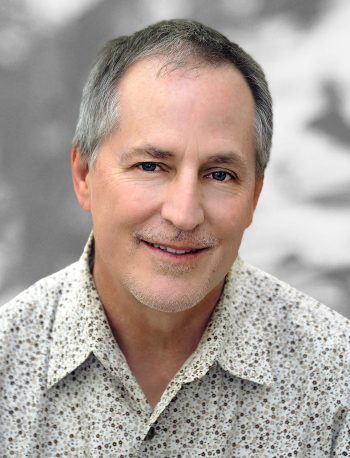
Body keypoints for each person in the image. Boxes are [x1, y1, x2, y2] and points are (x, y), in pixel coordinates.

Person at [0, 19, 349, 457]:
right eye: (151, 166)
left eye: (220, 174)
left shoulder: (338, 378)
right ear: (84, 175)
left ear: (254, 196)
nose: (184, 214)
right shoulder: (7, 367)